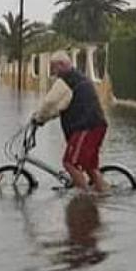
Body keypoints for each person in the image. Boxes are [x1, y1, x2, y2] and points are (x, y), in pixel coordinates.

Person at [32, 51, 108, 191]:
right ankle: (103, 194)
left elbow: (50, 103)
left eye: (53, 67)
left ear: (61, 65)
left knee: (69, 163)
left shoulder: (66, 81)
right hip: (97, 125)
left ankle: (84, 198)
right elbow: (60, 107)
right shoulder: (78, 77)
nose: (53, 72)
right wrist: (45, 118)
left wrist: (37, 118)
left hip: (86, 127)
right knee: (89, 166)